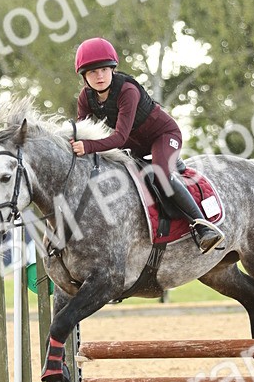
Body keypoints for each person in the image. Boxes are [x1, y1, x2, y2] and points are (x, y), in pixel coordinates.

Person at [70, 37, 225, 254]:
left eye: (104, 69)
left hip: (162, 135)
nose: (99, 76)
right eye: (92, 72)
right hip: (135, 146)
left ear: (113, 69)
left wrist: (87, 146)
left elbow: (119, 138)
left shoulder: (127, 91)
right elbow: (81, 131)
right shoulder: (85, 98)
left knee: (161, 173)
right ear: (84, 76)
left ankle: (203, 227)